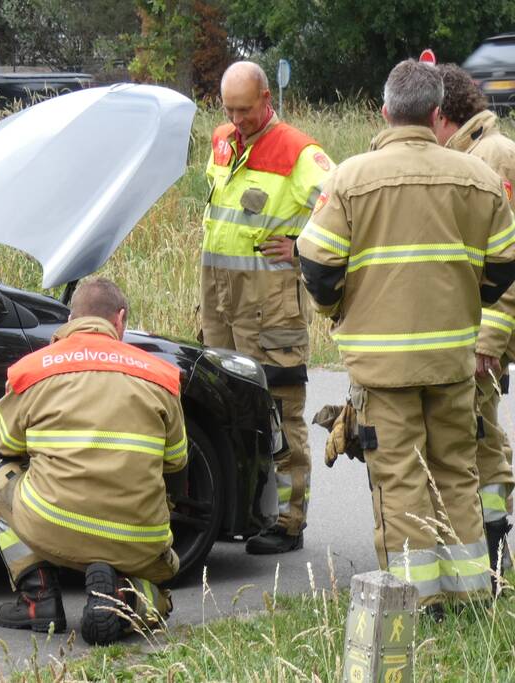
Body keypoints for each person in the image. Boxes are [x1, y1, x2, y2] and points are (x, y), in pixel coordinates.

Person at [297, 59, 515, 609]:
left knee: (399, 480)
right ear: (438, 112)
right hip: (452, 362)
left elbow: (317, 263)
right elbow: (507, 261)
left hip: (382, 367)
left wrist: (336, 310)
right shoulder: (480, 178)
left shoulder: (350, 177)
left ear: (385, 112)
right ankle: (470, 600)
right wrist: (473, 304)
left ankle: (416, 605)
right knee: (457, 473)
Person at [0, 278, 186, 644]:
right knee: (160, 599)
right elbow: (176, 461)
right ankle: (126, 597)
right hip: (138, 539)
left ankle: (37, 598)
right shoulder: (161, 376)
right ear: (119, 320)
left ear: (71, 318)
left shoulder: (32, 371)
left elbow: (7, 445)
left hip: (53, 524)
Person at [202, 61, 334, 554]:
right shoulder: (222, 140)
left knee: (280, 412)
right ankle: (239, 511)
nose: (237, 120)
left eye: (245, 109)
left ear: (266, 98)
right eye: (229, 110)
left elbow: (344, 206)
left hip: (271, 308)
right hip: (219, 302)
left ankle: (288, 520)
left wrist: (299, 246)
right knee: (225, 408)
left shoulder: (300, 151)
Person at [432, 63, 515, 578]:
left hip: (488, 327)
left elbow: (509, 255)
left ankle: (491, 552)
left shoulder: (493, 156)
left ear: (443, 115)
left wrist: (490, 335)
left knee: (480, 435)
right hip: (477, 321)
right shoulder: (474, 152)